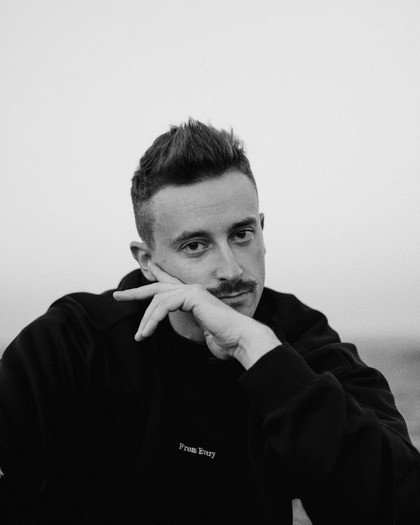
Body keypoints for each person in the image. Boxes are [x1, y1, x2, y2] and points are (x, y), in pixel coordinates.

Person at [0, 120, 419, 524]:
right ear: (147, 260)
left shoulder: (300, 344)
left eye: (241, 234)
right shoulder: (74, 343)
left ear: (261, 230)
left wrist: (257, 352)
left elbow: (401, 506)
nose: (231, 269)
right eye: (196, 245)